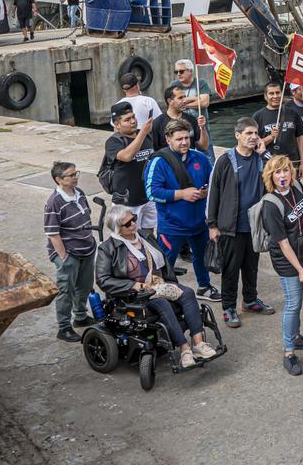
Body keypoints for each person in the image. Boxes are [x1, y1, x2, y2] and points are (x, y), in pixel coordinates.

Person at [96, 205, 217, 369]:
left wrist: (163, 278)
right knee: (161, 303)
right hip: (134, 294)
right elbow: (103, 280)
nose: (133, 224)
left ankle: (198, 343)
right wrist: (134, 285)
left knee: (187, 293)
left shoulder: (145, 236)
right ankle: (184, 349)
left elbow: (163, 262)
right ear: (117, 229)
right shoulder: (107, 248)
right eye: (127, 224)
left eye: (134, 219)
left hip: (157, 284)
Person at [207, 117, 274, 328]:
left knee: (251, 266)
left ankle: (250, 300)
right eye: (248, 133)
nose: (254, 137)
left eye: (256, 133)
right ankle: (228, 306)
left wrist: (265, 152)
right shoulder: (225, 160)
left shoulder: (261, 159)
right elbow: (213, 192)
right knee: (231, 269)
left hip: (254, 226)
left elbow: (281, 174)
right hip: (230, 226)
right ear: (237, 136)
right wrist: (212, 224)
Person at [145, 119, 220, 302]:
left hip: (199, 222)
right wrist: (181, 194)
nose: (185, 142)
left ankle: (204, 286)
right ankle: (164, 291)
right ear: (168, 139)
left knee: (201, 257)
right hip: (172, 225)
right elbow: (151, 192)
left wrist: (205, 193)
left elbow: (213, 184)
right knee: (165, 262)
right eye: (179, 139)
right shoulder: (159, 161)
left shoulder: (200, 158)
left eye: (187, 138)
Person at [258, 154, 303, 375]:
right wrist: (300, 269)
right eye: (277, 172)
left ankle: (297, 336)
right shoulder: (271, 204)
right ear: (270, 176)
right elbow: (282, 242)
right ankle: (288, 352)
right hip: (287, 260)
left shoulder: (296, 187)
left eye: (285, 170)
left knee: (299, 301)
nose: (282, 176)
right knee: (293, 303)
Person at [43, 161, 96, 342]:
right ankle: (64, 327)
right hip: (69, 253)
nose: (76, 177)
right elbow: (52, 233)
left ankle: (80, 317)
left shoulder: (79, 193)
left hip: (86, 249)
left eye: (76, 173)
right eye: (71, 175)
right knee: (66, 290)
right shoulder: (53, 203)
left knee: (85, 285)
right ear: (58, 179)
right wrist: (64, 257)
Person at [102, 101, 156, 236]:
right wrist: (142, 133)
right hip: (127, 201)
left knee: (148, 233)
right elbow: (126, 156)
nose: (133, 121)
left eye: (133, 117)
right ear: (117, 125)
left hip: (148, 197)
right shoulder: (113, 142)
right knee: (126, 235)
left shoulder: (147, 136)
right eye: (127, 120)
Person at [253, 81, 303, 180]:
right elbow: (255, 145)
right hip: (269, 164)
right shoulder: (258, 117)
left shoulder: (293, 113)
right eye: (271, 93)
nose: (275, 96)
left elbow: (300, 138)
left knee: (291, 191)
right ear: (265, 96)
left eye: (278, 93)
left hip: (292, 163)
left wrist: (302, 163)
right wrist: (271, 137)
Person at [150, 85, 209, 154]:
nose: (185, 101)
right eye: (180, 98)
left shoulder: (191, 119)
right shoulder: (158, 123)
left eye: (185, 97)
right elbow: (155, 150)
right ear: (170, 101)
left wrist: (203, 128)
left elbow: (203, 146)